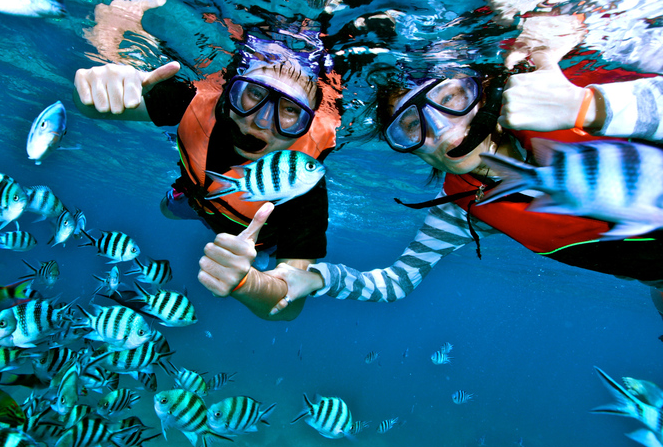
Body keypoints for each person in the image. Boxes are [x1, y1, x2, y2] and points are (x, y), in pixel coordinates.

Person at [212, 51, 663, 317]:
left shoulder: (581, 99)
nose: (440, 129)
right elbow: (396, 282)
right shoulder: (463, 205)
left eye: (451, 99)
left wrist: (590, 106)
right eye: (409, 126)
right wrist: (316, 279)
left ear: (484, 93)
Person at [73, 29, 340, 321]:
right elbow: (89, 106)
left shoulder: (302, 187)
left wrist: (247, 283)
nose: (263, 121)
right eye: (254, 93)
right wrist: (98, 88)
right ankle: (186, 197)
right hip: (196, 195)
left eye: (290, 110)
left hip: (253, 239)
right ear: (230, 88)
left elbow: (289, 306)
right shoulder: (189, 99)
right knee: (168, 210)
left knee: (260, 261)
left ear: (308, 121)